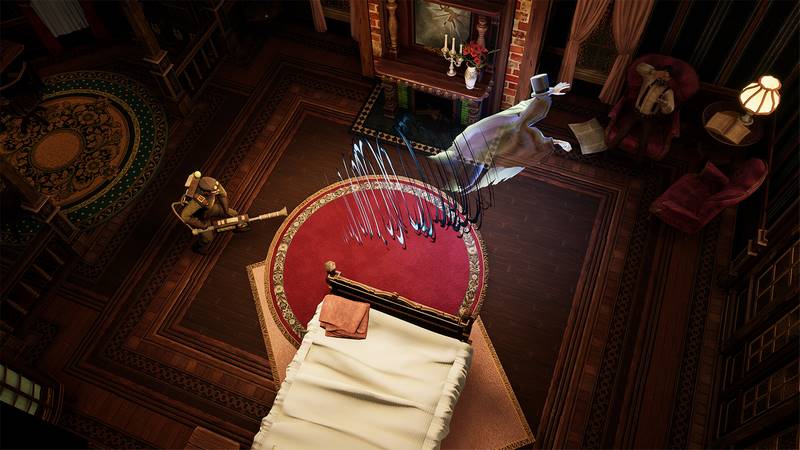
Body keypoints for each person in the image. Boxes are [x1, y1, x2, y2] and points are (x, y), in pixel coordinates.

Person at [428, 73, 572, 193]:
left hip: (498, 143)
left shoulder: (528, 118)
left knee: (476, 163)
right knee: (472, 157)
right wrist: (551, 91)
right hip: (493, 136)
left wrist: (557, 142)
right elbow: (533, 108)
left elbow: (535, 132)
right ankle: (452, 178)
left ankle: (455, 184)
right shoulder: (524, 112)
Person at [607, 63, 675, 159]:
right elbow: (639, 67)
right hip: (636, 112)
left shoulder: (668, 91)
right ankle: (609, 151)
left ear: (669, 79)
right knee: (623, 130)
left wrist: (664, 103)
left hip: (649, 117)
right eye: (663, 74)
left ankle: (638, 161)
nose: (663, 78)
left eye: (666, 77)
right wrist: (654, 72)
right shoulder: (649, 78)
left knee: (644, 140)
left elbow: (670, 108)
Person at [180, 176, 242, 254]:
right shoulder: (197, 201)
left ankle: (235, 226)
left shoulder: (215, 186)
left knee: (234, 214)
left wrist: (226, 211)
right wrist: (201, 225)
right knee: (208, 239)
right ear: (205, 192)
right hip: (202, 217)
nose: (217, 191)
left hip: (211, 209)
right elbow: (185, 216)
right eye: (213, 192)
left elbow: (222, 195)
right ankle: (197, 248)